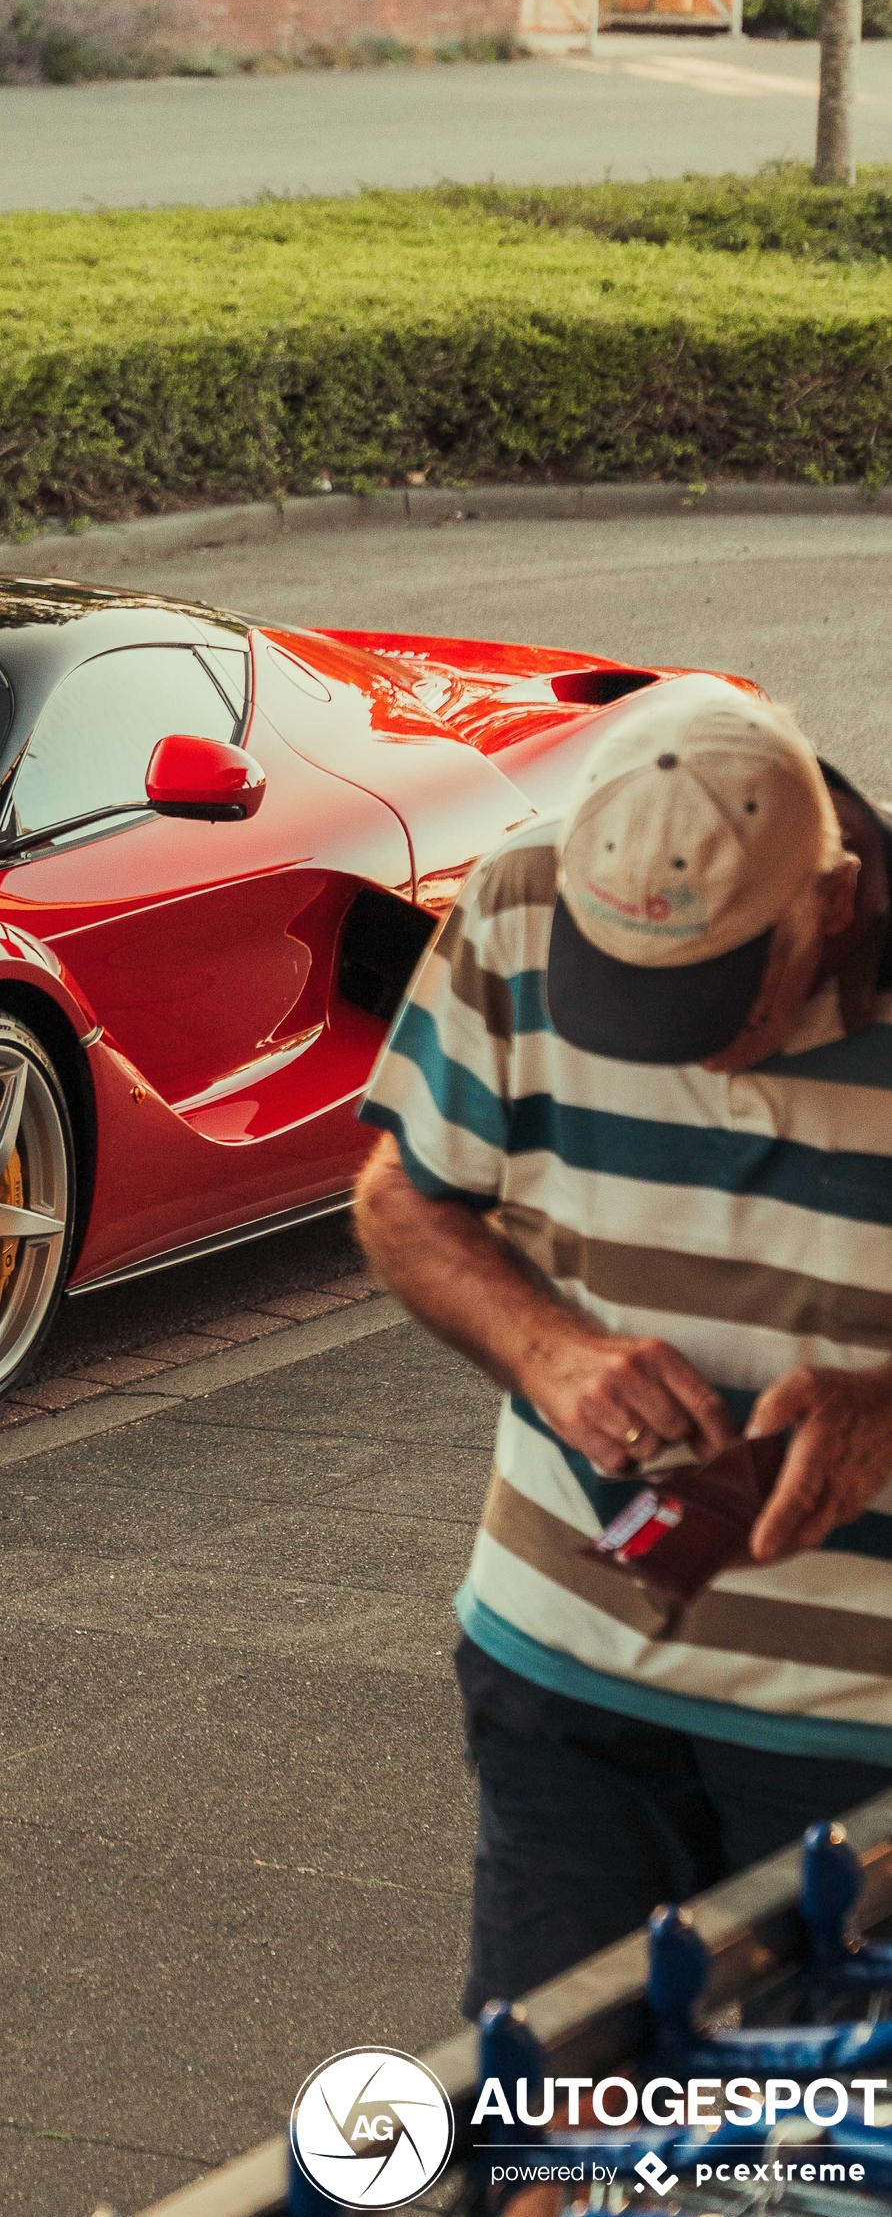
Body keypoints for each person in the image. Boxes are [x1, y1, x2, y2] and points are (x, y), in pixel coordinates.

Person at [355, 674, 892, 2012]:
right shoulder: (527, 901)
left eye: (719, 999)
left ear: (829, 905)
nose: (685, 1054)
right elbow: (403, 1199)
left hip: (859, 1740)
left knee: (800, 2169)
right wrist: (546, 1352)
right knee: (550, 2144)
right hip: (565, 1672)